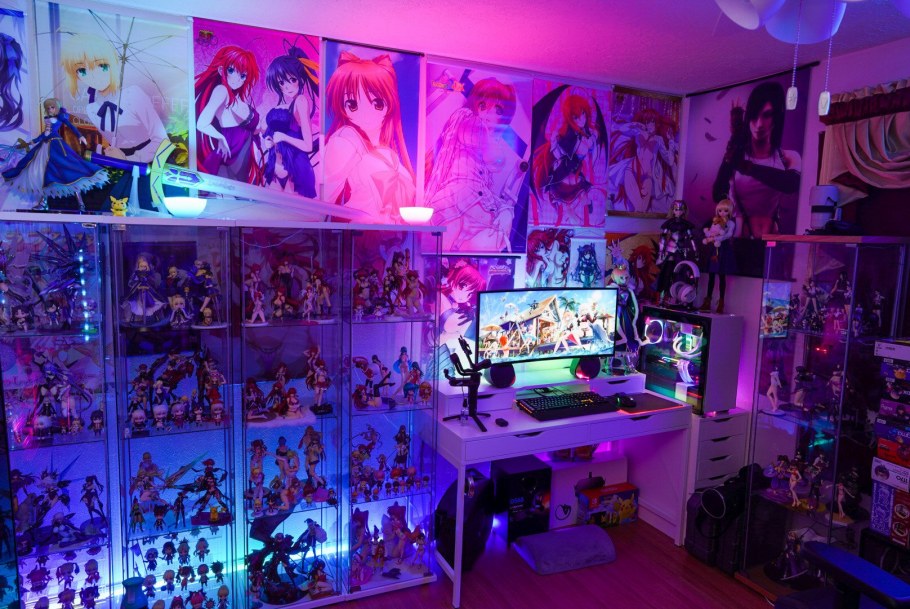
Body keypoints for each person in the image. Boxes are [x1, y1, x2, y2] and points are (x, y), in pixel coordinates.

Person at [61, 33, 169, 210]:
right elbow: (115, 144)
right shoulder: (92, 108)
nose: (93, 76)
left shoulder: (134, 94)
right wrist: (108, 155)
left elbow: (162, 141)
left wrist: (129, 158)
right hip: (120, 170)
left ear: (113, 64)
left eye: (101, 66)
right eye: (82, 71)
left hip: (146, 173)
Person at [426, 77, 519, 251]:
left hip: (481, 208)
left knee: (490, 238)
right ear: (475, 106)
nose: (489, 114)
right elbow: (485, 148)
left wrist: (506, 212)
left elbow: (494, 163)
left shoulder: (493, 142)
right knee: (446, 240)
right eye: (483, 106)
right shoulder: (466, 119)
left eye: (498, 110)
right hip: (455, 202)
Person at [324, 52, 414, 223]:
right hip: (360, 233)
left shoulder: (389, 153)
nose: (366, 113)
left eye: (377, 103)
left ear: (389, 104)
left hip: (392, 235)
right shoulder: (346, 141)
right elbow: (323, 199)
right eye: (352, 104)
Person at [712, 81, 801, 239]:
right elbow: (718, 192)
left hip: (773, 238)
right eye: (753, 115)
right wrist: (736, 138)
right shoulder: (737, 155)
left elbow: (791, 184)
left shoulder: (787, 157)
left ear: (776, 118)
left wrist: (747, 167)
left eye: (767, 115)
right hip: (741, 237)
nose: (759, 124)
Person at [3, 98, 108, 210]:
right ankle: (43, 203)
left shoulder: (61, 117)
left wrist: (80, 136)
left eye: (52, 107)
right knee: (44, 173)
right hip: (44, 146)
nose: (50, 110)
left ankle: (81, 203)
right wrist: (33, 141)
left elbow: (71, 126)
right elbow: (45, 134)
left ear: (56, 108)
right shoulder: (47, 118)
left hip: (57, 146)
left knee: (69, 170)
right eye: (48, 108)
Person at [532, 92, 605, 226]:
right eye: (576, 117)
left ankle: (583, 204)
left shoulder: (584, 133)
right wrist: (592, 137)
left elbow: (587, 149)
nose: (581, 119)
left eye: (583, 114)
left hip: (574, 169)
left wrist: (592, 136)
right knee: (568, 190)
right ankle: (571, 210)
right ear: (570, 119)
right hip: (564, 169)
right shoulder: (568, 136)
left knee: (581, 191)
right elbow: (580, 150)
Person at [195, 45, 261, 183]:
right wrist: (220, 138)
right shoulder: (222, 90)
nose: (237, 79)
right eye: (231, 70)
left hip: (243, 154)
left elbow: (254, 129)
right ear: (221, 70)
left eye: (243, 75)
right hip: (231, 153)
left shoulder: (238, 97)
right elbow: (201, 123)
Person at [261, 44, 318, 197]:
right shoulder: (288, 104)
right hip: (279, 163)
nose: (287, 87)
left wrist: (284, 137)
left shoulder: (300, 101)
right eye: (281, 83)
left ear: (299, 79)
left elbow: (308, 145)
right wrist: (271, 141)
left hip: (296, 166)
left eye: (292, 80)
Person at [608, 107, 676, 213]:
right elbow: (622, 129)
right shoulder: (638, 133)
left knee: (642, 209)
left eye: (653, 122)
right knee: (637, 206)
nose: (651, 124)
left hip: (648, 173)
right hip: (632, 169)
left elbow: (670, 161)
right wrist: (637, 124)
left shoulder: (659, 139)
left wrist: (671, 141)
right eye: (648, 122)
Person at [656, 200, 698, 305]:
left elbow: (691, 238)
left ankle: (678, 298)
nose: (678, 212)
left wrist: (695, 250)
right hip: (670, 249)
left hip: (682, 251)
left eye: (680, 210)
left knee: (681, 274)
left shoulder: (686, 224)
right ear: (673, 210)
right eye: (676, 209)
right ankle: (662, 297)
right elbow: (663, 238)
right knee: (667, 273)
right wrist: (661, 252)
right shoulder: (669, 223)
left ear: (684, 211)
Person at [699, 199, 736, 313]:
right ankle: (708, 300)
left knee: (721, 276)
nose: (722, 213)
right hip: (714, 249)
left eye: (725, 210)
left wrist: (717, 238)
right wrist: (710, 236)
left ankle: (721, 302)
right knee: (711, 275)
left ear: (729, 211)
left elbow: (729, 234)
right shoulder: (714, 221)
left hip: (723, 249)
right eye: (720, 210)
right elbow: (709, 231)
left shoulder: (731, 223)